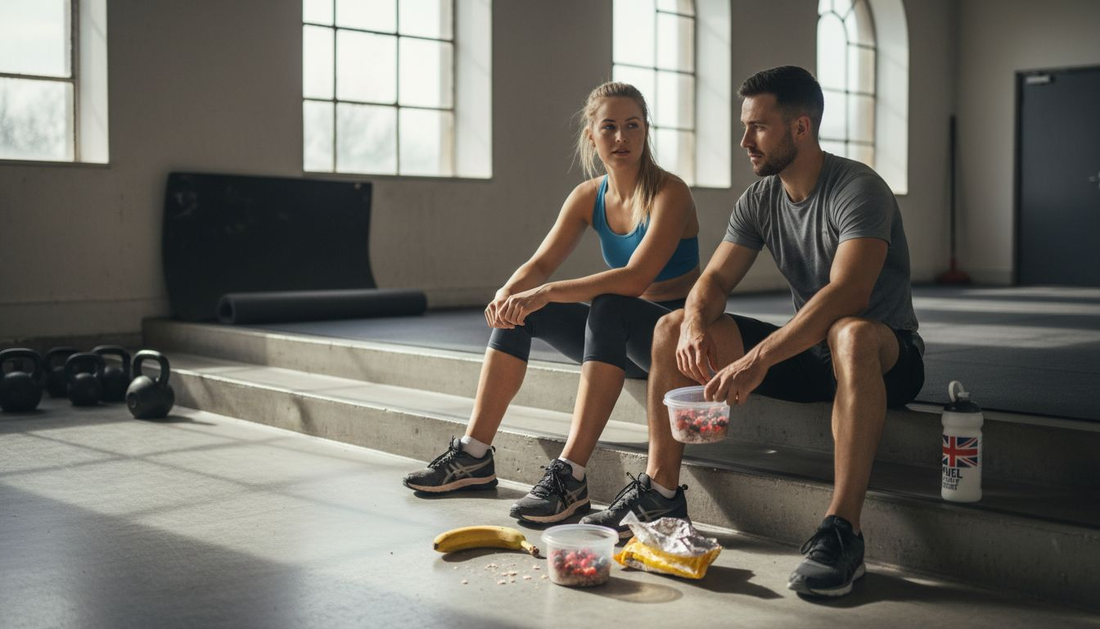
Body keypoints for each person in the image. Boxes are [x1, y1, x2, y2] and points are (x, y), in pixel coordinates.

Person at [582, 66, 925, 598]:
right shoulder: (760, 198)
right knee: (671, 326)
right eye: (745, 127)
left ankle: (842, 531)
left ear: (801, 128)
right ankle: (661, 489)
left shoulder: (859, 189)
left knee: (850, 333)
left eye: (758, 127)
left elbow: (848, 294)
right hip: (812, 352)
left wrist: (757, 357)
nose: (745, 141)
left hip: (885, 355)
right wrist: (696, 323)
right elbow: (714, 279)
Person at [402, 81, 701, 525]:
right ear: (591, 135)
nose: (622, 138)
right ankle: (474, 455)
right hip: (615, 339)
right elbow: (539, 264)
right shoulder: (588, 197)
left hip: (667, 347)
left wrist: (543, 292)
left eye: (633, 126)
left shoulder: (669, 193)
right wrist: (509, 296)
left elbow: (634, 280)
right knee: (521, 310)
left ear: (646, 131)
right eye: (610, 127)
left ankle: (571, 477)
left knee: (605, 304)